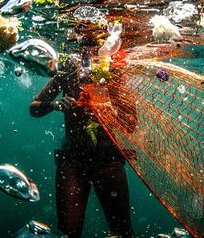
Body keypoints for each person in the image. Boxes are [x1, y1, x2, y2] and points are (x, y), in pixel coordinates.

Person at [29, 45, 135, 238]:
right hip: (73, 161)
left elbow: (130, 124)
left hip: (108, 160)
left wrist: (112, 110)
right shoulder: (68, 71)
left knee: (122, 230)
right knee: (69, 231)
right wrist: (54, 104)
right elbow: (34, 108)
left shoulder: (114, 74)